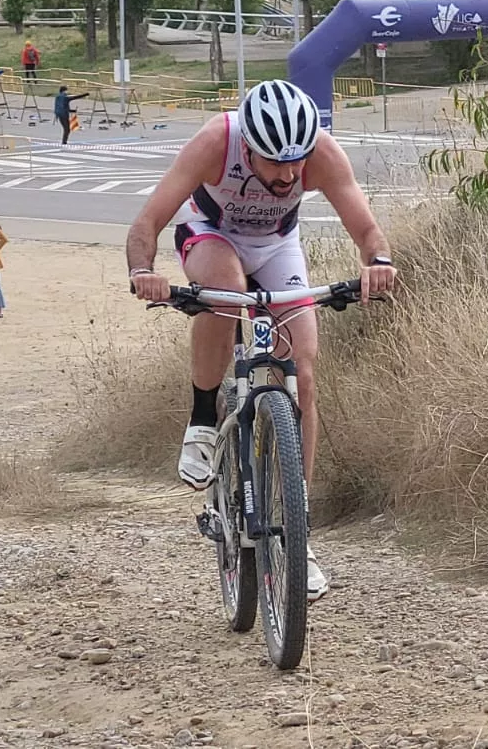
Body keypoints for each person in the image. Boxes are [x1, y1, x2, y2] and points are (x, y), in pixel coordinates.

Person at [126, 79, 398, 601]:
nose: (290, 174)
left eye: (296, 162)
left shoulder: (319, 154)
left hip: (277, 248)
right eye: (275, 163)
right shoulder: (214, 141)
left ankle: (298, 529)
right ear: (247, 146)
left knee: (305, 370)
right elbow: (148, 221)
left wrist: (379, 263)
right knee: (225, 290)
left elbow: (366, 228)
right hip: (211, 237)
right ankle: (204, 417)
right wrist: (144, 271)